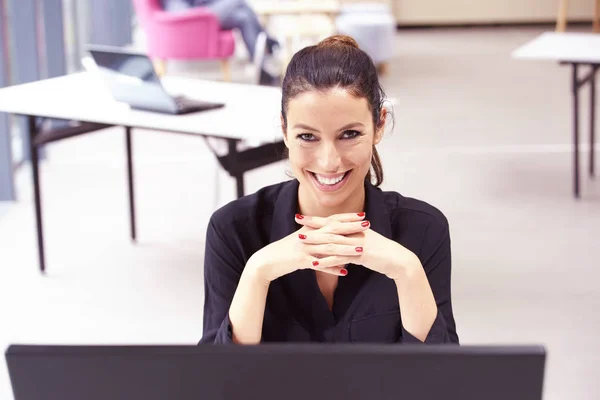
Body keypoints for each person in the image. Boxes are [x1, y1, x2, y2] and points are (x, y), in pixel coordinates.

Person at [200, 35, 459, 344]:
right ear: (284, 130)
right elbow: (220, 383)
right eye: (307, 137)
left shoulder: (424, 230)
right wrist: (258, 272)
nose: (329, 161)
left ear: (379, 125)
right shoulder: (233, 230)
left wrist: (407, 270)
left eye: (349, 134)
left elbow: (437, 382)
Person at [161, 0, 280, 83]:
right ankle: (268, 41)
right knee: (238, 2)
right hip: (194, 18)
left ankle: (261, 66)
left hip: (201, 12)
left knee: (243, 17)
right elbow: (182, 12)